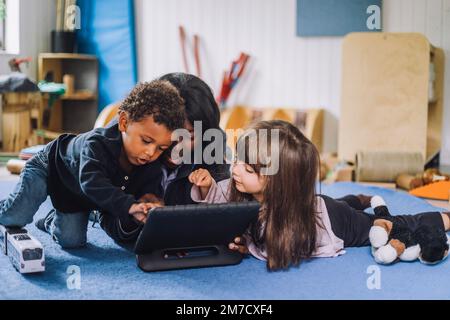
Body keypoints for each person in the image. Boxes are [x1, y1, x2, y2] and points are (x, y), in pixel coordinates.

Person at [188, 120, 450, 271]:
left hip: (334, 221)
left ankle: (446, 217)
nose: (235, 170)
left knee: (396, 224)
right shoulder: (239, 184)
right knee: (343, 202)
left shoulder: (291, 220)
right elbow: (218, 203)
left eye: (247, 168)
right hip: (320, 205)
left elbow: (281, 253)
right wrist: (206, 186)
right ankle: (357, 199)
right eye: (237, 160)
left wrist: (248, 247)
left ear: (278, 182)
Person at [0, 80, 185, 249]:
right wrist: (129, 206)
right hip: (49, 166)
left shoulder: (150, 162)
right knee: (14, 217)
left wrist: (149, 203)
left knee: (71, 242)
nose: (151, 153)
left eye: (161, 148)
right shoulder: (97, 144)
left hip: (77, 192)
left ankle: (50, 221)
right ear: (123, 122)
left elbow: (148, 190)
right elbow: (92, 183)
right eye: (146, 140)